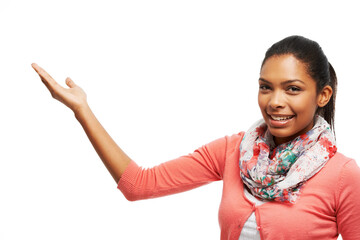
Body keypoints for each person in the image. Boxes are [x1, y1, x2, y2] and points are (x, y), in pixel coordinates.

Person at [32, 35, 360, 240]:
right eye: (265, 87)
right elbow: (138, 184)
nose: (275, 101)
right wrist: (81, 110)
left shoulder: (342, 174)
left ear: (322, 95)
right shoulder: (235, 151)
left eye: (292, 89)